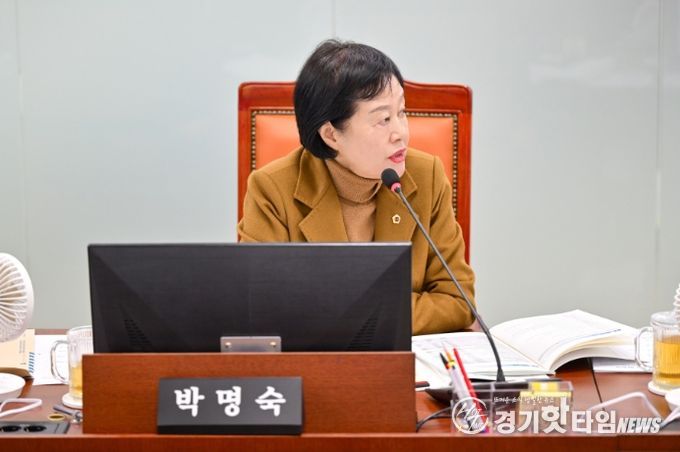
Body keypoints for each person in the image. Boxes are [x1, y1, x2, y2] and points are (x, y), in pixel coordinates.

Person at [237, 39, 475, 335]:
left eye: (402, 112)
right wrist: (382, 313)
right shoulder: (272, 190)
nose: (401, 133)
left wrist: (349, 315)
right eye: (383, 119)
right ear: (331, 135)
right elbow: (262, 307)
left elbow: (457, 300)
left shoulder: (427, 176)